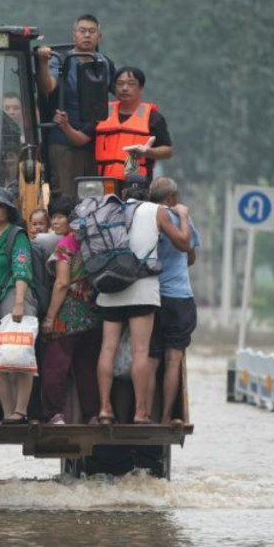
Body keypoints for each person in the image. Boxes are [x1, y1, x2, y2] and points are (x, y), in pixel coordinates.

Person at [94, 181, 192, 425]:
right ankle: (140, 413)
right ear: (147, 194)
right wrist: (184, 216)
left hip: (110, 288)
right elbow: (183, 243)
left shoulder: (109, 209)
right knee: (141, 352)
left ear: (123, 193)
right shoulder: (156, 211)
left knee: (108, 349)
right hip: (142, 290)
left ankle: (105, 409)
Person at [36, 14, 117, 197]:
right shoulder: (61, 61)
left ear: (99, 36)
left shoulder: (106, 63)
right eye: (82, 31)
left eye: (92, 31)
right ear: (74, 36)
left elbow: (121, 92)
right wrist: (43, 62)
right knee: (67, 197)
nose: (87, 35)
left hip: (97, 144)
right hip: (63, 142)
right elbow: (47, 87)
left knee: (96, 198)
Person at [38, 196, 102, 425]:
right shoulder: (92, 241)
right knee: (87, 368)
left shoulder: (66, 244)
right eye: (52, 217)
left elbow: (62, 283)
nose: (55, 222)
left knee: (54, 366)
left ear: (71, 219)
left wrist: (49, 318)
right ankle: (92, 415)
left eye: (60, 217)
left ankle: (54, 414)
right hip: (93, 313)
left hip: (68, 315)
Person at [0, 188, 37, 424]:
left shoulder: (16, 235)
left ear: (9, 211)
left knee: (20, 356)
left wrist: (19, 303)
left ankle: (20, 412)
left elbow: (22, 270)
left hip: (16, 297)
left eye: (0, 206)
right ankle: (9, 412)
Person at [148, 176, 201, 424]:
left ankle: (144, 414)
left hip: (152, 297)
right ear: (171, 198)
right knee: (172, 360)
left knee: (151, 359)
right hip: (179, 298)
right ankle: (167, 416)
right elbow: (190, 256)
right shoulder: (180, 218)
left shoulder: (146, 218)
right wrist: (185, 216)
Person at [88, 67, 173, 182]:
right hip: (101, 182)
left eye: (131, 84)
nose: (124, 88)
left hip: (136, 183)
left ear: (141, 88)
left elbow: (167, 151)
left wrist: (148, 152)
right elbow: (83, 139)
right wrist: (66, 125)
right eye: (120, 84)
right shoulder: (102, 112)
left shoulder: (153, 117)